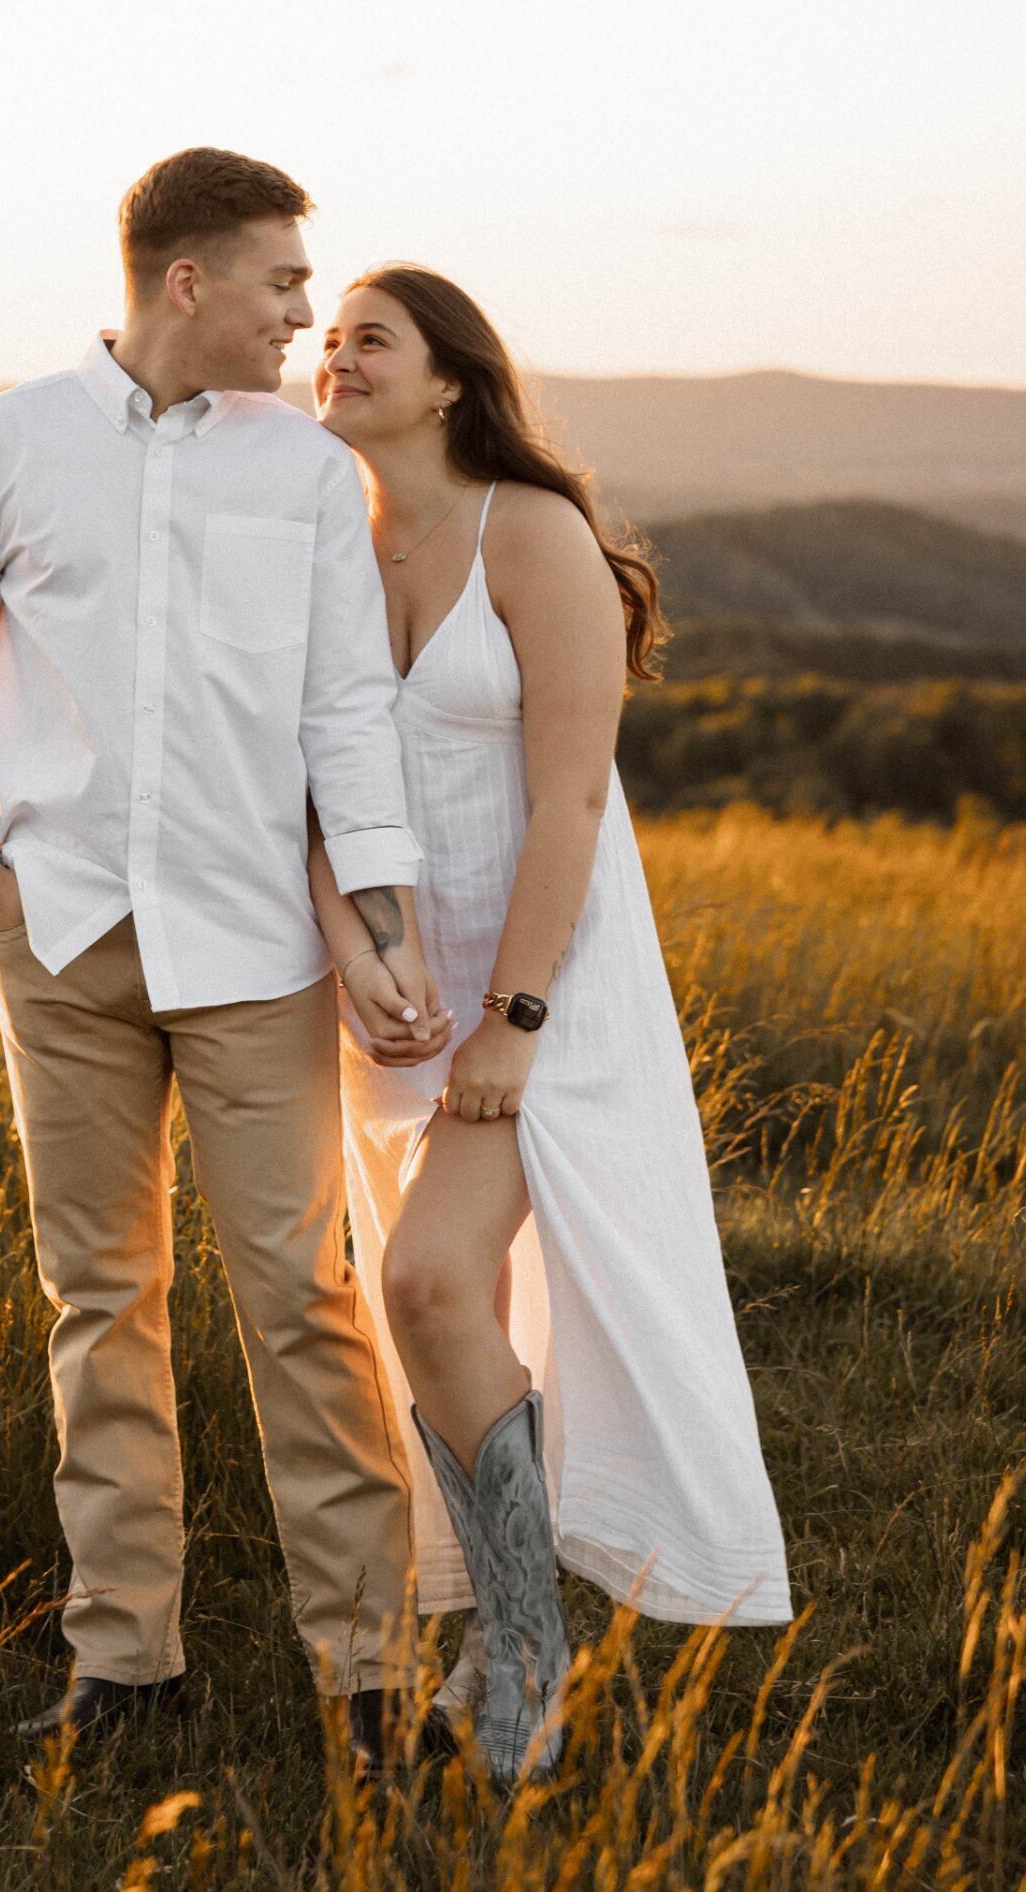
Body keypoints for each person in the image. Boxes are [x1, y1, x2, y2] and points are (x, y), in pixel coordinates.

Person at [0, 150, 452, 1770]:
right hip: (57, 936)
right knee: (100, 1299)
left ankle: (368, 1680)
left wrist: (381, 921)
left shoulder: (303, 471)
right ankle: (122, 1664)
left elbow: (343, 706)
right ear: (186, 281)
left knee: (301, 1298)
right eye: (281, 282)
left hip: (254, 945)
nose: (302, 318)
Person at [309, 265, 793, 1786]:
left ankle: (522, 1662)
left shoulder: (530, 534)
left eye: (370, 339)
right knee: (440, 1306)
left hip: (547, 986)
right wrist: (359, 953)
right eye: (326, 339)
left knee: (429, 1280)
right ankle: (504, 1642)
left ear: (452, 379)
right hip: (396, 995)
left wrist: (512, 1021)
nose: (334, 358)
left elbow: (573, 798)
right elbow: (304, 785)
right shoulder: (324, 541)